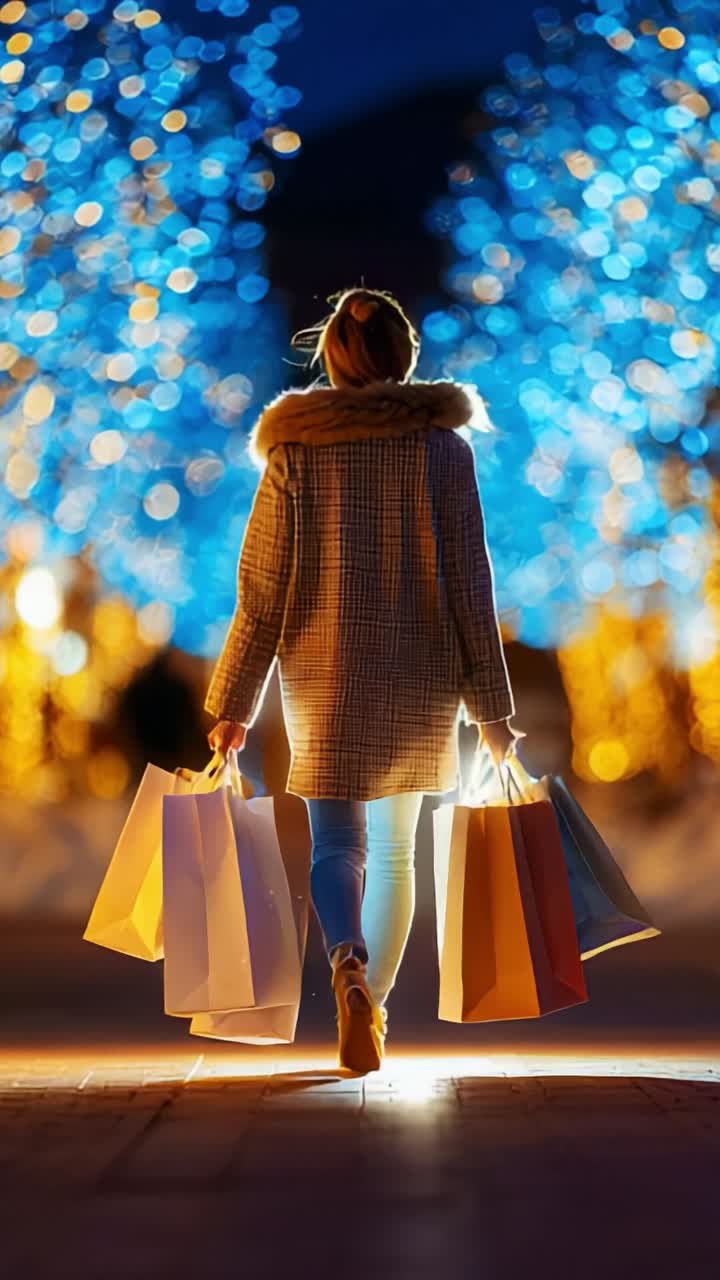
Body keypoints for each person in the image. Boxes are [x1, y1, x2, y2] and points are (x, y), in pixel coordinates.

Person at [205, 286, 522, 1074]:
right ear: (404, 357)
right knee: (396, 853)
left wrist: (234, 703)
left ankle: (346, 960)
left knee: (337, 844)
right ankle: (372, 1006)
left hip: (323, 678)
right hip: (421, 677)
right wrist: (492, 711)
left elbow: (262, 592)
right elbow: (469, 586)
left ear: (334, 359)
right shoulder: (444, 452)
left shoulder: (296, 453)